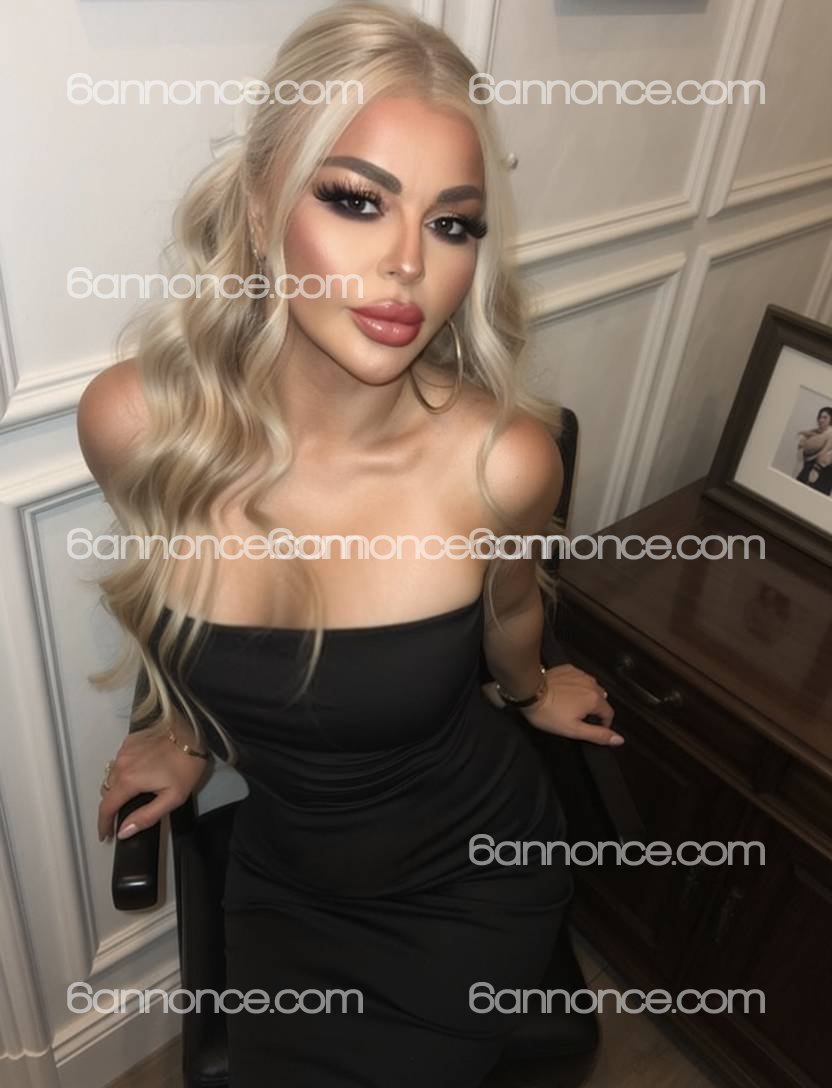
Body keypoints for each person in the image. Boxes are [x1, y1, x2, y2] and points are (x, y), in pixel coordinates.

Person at [79, 4, 621, 1085]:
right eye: (357, 201)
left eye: (452, 223)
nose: (407, 263)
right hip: (289, 874)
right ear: (260, 205)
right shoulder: (135, 426)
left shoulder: (503, 462)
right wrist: (184, 728)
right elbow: (179, 608)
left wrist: (531, 688)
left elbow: (514, 609)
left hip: (471, 874)